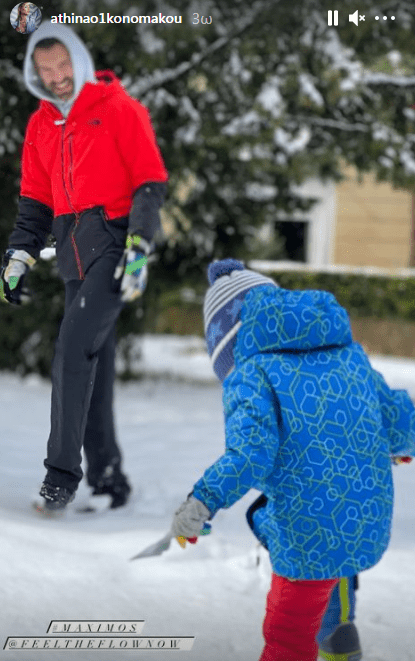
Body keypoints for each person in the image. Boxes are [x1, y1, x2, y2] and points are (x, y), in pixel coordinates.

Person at [170, 258, 415, 661]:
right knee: (332, 552)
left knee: (287, 638)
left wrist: (202, 500)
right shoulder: (348, 355)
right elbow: (397, 419)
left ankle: (330, 634)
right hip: (364, 518)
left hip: (307, 535)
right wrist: (395, 446)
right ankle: (336, 632)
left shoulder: (252, 374)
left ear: (227, 346)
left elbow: (250, 456)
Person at [0, 22, 168, 513]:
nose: (57, 77)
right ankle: (109, 476)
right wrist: (18, 255)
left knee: (73, 351)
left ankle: (60, 478)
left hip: (114, 245)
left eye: (63, 65)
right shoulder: (40, 125)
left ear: (79, 59)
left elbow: (149, 182)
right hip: (73, 252)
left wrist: (139, 247)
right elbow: (34, 199)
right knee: (92, 365)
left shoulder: (119, 109)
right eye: (45, 70)